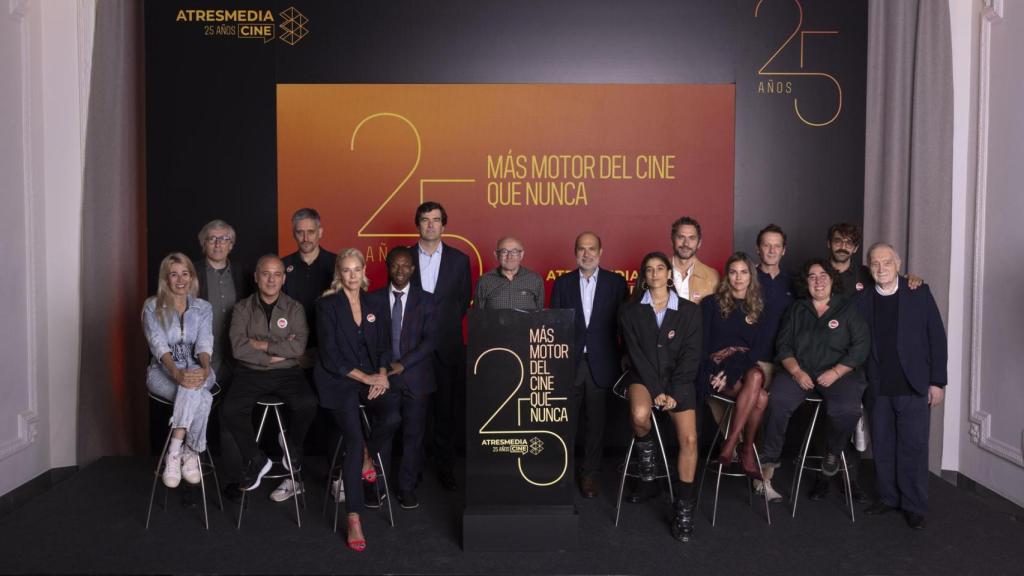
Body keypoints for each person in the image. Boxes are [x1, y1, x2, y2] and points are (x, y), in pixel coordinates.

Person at [315, 248, 401, 551]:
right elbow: (330, 357)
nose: (352, 275)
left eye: (356, 269)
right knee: (352, 441)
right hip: (338, 381)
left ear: (363, 270)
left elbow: (383, 349)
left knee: (392, 414)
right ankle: (354, 518)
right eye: (346, 270)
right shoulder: (327, 306)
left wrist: (380, 374)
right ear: (339, 273)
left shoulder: (374, 302)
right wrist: (367, 379)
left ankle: (368, 456)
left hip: (369, 377)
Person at [760, 259, 870, 488]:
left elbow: (861, 346)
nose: (818, 281)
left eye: (823, 276)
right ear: (806, 282)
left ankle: (833, 451)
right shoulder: (797, 308)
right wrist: (797, 372)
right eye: (812, 276)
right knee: (777, 400)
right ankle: (770, 457)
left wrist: (836, 372)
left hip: (840, 375)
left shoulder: (847, 308)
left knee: (848, 410)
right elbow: (784, 346)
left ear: (832, 280)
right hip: (801, 372)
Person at [859, 243, 947, 530]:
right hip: (879, 386)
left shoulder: (918, 292)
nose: (881, 269)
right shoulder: (862, 299)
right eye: (875, 264)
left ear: (898, 265)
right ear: (869, 268)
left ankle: (913, 505)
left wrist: (937, 381)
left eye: (886, 263)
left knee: (914, 447)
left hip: (914, 385)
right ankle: (888, 497)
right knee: (883, 445)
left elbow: (937, 338)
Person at [619, 252, 702, 543]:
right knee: (640, 416)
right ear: (643, 276)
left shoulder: (690, 311)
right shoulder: (629, 312)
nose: (654, 274)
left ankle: (683, 507)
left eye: (659, 268)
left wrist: (674, 393)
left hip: (679, 382)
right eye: (649, 269)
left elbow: (691, 358)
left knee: (690, 440)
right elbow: (637, 357)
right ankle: (648, 473)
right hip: (644, 379)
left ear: (669, 274)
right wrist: (657, 392)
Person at [221, 255, 318, 495]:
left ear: (284, 279)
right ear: (256, 277)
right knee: (229, 410)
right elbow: (238, 348)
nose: (271, 279)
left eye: (277, 274)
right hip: (250, 373)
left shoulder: (294, 308)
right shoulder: (242, 308)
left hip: (288, 373)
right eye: (265, 274)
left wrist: (260, 345)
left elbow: (298, 348)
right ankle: (256, 459)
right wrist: (275, 353)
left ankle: (291, 446)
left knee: (308, 404)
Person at [549, 232, 628, 498]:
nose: (587, 253)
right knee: (564, 422)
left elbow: (624, 327)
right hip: (569, 363)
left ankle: (589, 475)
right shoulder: (562, 284)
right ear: (575, 252)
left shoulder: (616, 283)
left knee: (596, 424)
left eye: (592, 248)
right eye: (581, 249)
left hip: (602, 363)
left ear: (601, 251)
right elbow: (554, 328)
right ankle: (561, 473)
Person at [368, 247, 436, 509]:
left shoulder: (427, 300)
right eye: (395, 265)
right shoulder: (372, 300)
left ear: (413, 269)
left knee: (413, 435)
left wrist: (402, 365)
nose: (400, 270)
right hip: (383, 377)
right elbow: (370, 342)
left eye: (405, 266)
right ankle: (378, 487)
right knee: (382, 432)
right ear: (388, 267)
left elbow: (430, 342)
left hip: (416, 378)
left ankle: (406, 488)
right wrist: (386, 368)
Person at [410, 201, 471, 492]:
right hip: (413, 348)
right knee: (415, 411)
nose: (430, 225)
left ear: (444, 226)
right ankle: (415, 467)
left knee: (446, 412)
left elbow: (462, 302)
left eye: (436, 220)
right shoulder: (404, 258)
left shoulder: (460, 261)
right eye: (425, 219)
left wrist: (442, 329)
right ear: (418, 224)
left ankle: (446, 467)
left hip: (448, 347)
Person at [142, 253, 216, 488]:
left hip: (198, 368)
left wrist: (204, 369)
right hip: (162, 372)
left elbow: (205, 342)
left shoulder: (203, 307)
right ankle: (191, 452)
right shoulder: (152, 306)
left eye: (185, 273)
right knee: (201, 396)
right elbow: (158, 345)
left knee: (195, 385)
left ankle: (176, 450)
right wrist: (177, 374)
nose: (180, 279)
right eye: (174, 274)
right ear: (166, 279)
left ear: (192, 277)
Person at [279, 208, 337, 503]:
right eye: (299, 232)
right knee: (294, 414)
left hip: (330, 359)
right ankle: (293, 477)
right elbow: (274, 316)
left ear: (320, 232)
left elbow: (346, 316)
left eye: (310, 231)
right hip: (294, 358)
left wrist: (321, 353)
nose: (305, 237)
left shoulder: (337, 264)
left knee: (333, 415)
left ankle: (337, 477)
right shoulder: (283, 267)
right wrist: (296, 354)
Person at [700, 252, 770, 479]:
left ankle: (731, 441)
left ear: (751, 276)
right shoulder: (711, 304)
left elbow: (754, 353)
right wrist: (718, 369)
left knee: (757, 376)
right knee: (761, 398)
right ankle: (746, 447)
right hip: (714, 370)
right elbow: (702, 346)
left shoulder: (758, 308)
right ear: (726, 276)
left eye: (743, 272)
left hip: (743, 370)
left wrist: (732, 368)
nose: (738, 278)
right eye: (733, 272)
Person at [752, 224, 795, 501]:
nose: (771, 250)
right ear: (758, 248)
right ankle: (745, 458)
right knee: (750, 414)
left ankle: (765, 479)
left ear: (784, 250)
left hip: (783, 362)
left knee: (774, 418)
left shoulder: (794, 283)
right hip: (751, 361)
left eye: (776, 245)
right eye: (766, 245)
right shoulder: (746, 277)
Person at [474, 236, 544, 310]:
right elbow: (478, 316)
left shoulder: (535, 279)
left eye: (514, 251)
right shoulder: (485, 281)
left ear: (521, 255)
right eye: (504, 251)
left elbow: (539, 315)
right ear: (496, 255)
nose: (509, 256)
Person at [669, 216, 719, 304]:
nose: (686, 243)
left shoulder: (712, 277)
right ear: (672, 240)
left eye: (691, 238)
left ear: (699, 243)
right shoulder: (656, 272)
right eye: (681, 237)